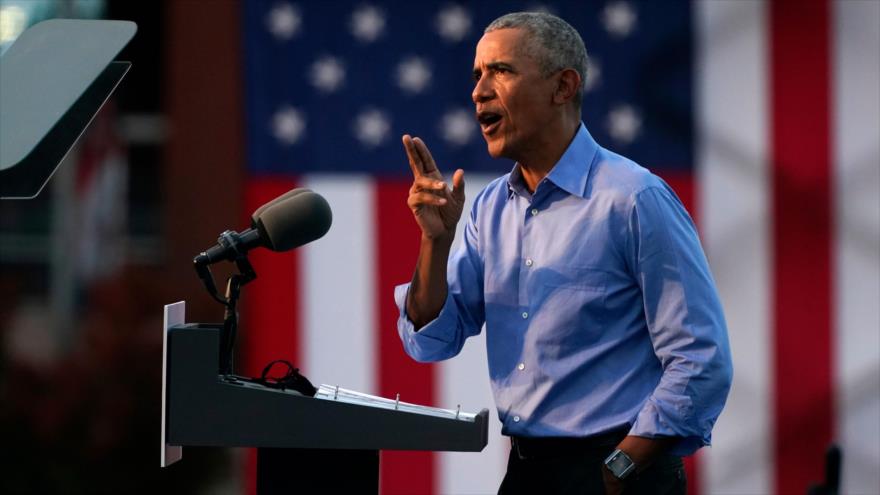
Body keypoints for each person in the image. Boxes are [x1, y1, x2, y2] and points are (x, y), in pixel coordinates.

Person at [395, 11, 732, 495]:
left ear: (563, 87)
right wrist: (435, 241)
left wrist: (621, 466)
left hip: (619, 471)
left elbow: (700, 357)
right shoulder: (490, 208)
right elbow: (431, 340)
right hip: (527, 471)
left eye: (501, 71)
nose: (479, 91)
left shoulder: (634, 198)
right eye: (477, 75)